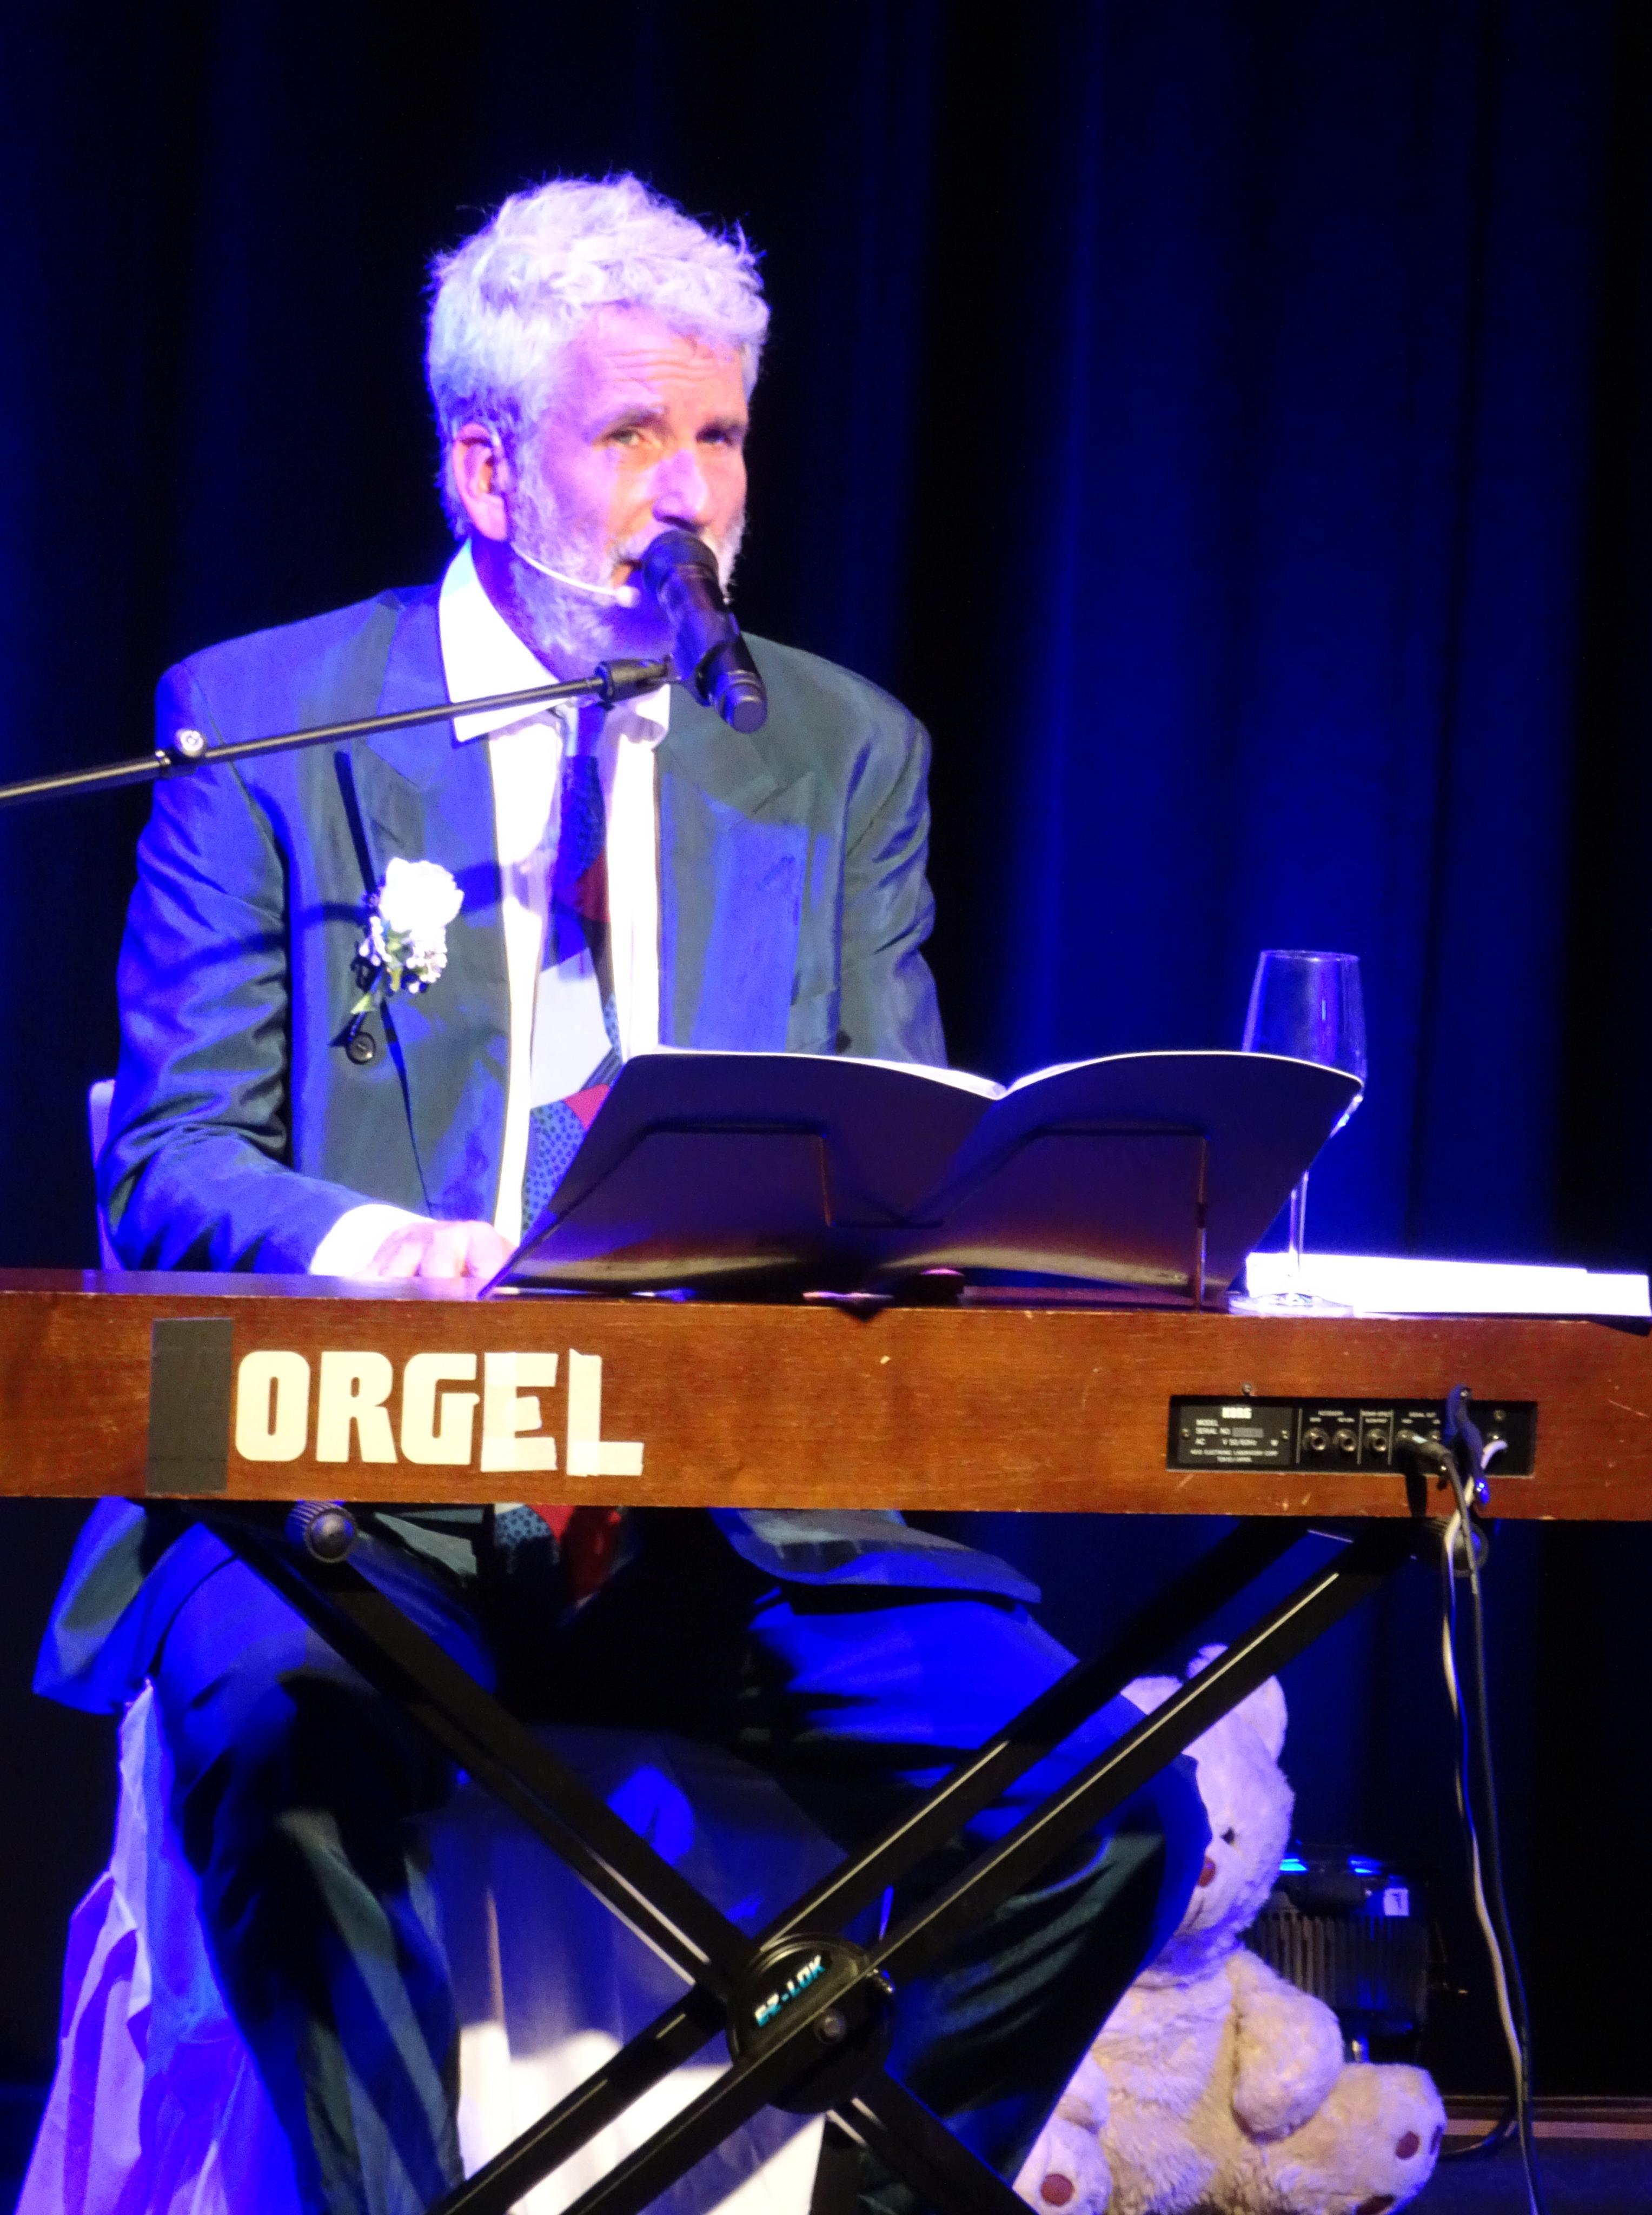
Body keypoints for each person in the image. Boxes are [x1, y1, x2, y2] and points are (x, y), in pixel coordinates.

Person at [38, 176, 1206, 2215]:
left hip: (731, 1509)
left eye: (724, 434)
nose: (695, 495)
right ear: (487, 467)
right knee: (271, 1728)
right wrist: (387, 1246)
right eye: (633, 434)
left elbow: (900, 1140)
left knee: (1108, 1820)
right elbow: (171, 1160)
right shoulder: (276, 723)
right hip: (369, 1487)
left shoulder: (843, 751)